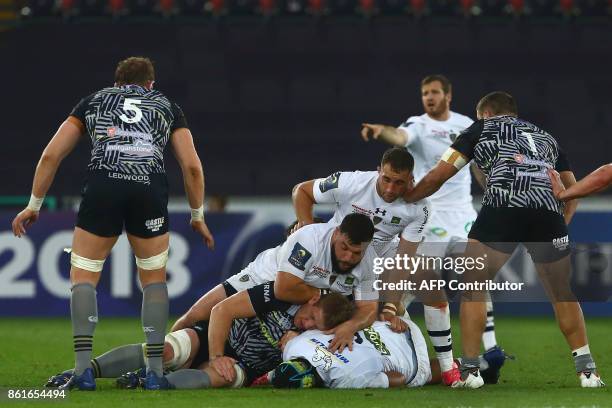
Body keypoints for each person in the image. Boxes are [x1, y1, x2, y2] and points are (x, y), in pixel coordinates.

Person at [11, 57, 215, 390]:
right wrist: (197, 216)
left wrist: (34, 205)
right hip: (148, 187)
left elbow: (51, 155)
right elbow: (191, 166)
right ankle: (154, 372)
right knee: (153, 280)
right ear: (151, 83)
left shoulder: (94, 100)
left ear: (116, 83)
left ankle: (81, 371)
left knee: (84, 278)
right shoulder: (166, 104)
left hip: (104, 185)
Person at [402, 91, 603, 388]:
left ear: (485, 113)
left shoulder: (480, 128)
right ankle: (587, 372)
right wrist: (560, 224)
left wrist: (406, 197)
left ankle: (470, 371)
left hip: (503, 206)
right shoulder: (546, 137)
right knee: (562, 293)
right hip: (547, 212)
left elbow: (437, 176)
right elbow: (573, 190)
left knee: (473, 285)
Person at [361, 74, 503, 368]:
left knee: (476, 281)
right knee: (417, 282)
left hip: (464, 216)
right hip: (429, 216)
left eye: (435, 92)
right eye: (425, 92)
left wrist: (491, 191)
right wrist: (382, 131)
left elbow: (477, 166)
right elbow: (400, 139)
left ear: (448, 95)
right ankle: (386, 337)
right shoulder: (417, 125)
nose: (429, 97)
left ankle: (491, 351)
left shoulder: (466, 125)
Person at [292, 147, 464, 385]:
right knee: (306, 309)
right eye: (386, 180)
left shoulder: (420, 208)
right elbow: (302, 191)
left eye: (399, 183)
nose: (391, 189)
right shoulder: (351, 182)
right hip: (336, 261)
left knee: (428, 280)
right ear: (378, 172)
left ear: (411, 180)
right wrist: (306, 227)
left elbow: (403, 260)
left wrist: (391, 307)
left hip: (374, 266)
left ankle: (448, 368)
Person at [46, 287, 354, 390]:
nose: (307, 323)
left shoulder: (313, 339)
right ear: (313, 301)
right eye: (310, 317)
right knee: (166, 349)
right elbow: (224, 309)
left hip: (245, 365)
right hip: (215, 339)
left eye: (315, 325)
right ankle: (84, 372)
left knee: (222, 376)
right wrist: (217, 352)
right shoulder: (279, 293)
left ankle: (148, 383)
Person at [173, 213, 379, 353]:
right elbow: (284, 289)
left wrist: (350, 326)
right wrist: (322, 294)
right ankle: (160, 360)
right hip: (261, 279)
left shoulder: (369, 262)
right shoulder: (310, 239)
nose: (348, 257)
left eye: (356, 253)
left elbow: (368, 308)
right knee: (193, 317)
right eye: (344, 248)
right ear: (337, 233)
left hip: (298, 307)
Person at [270, 319, 432, 389]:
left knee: (417, 377)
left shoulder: (344, 378)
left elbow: (398, 378)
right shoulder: (294, 345)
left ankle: (456, 365)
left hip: (408, 352)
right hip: (387, 325)